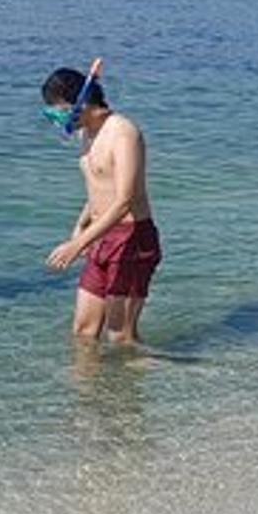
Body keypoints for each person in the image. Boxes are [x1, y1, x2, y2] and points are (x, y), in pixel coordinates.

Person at [41, 65, 161, 344]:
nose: (57, 118)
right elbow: (99, 185)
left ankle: (167, 377)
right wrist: (81, 223)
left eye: (57, 109)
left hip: (131, 238)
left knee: (120, 337)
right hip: (99, 235)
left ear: (80, 102)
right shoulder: (87, 133)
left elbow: (123, 201)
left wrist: (78, 244)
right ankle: (91, 389)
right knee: (83, 333)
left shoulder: (123, 132)